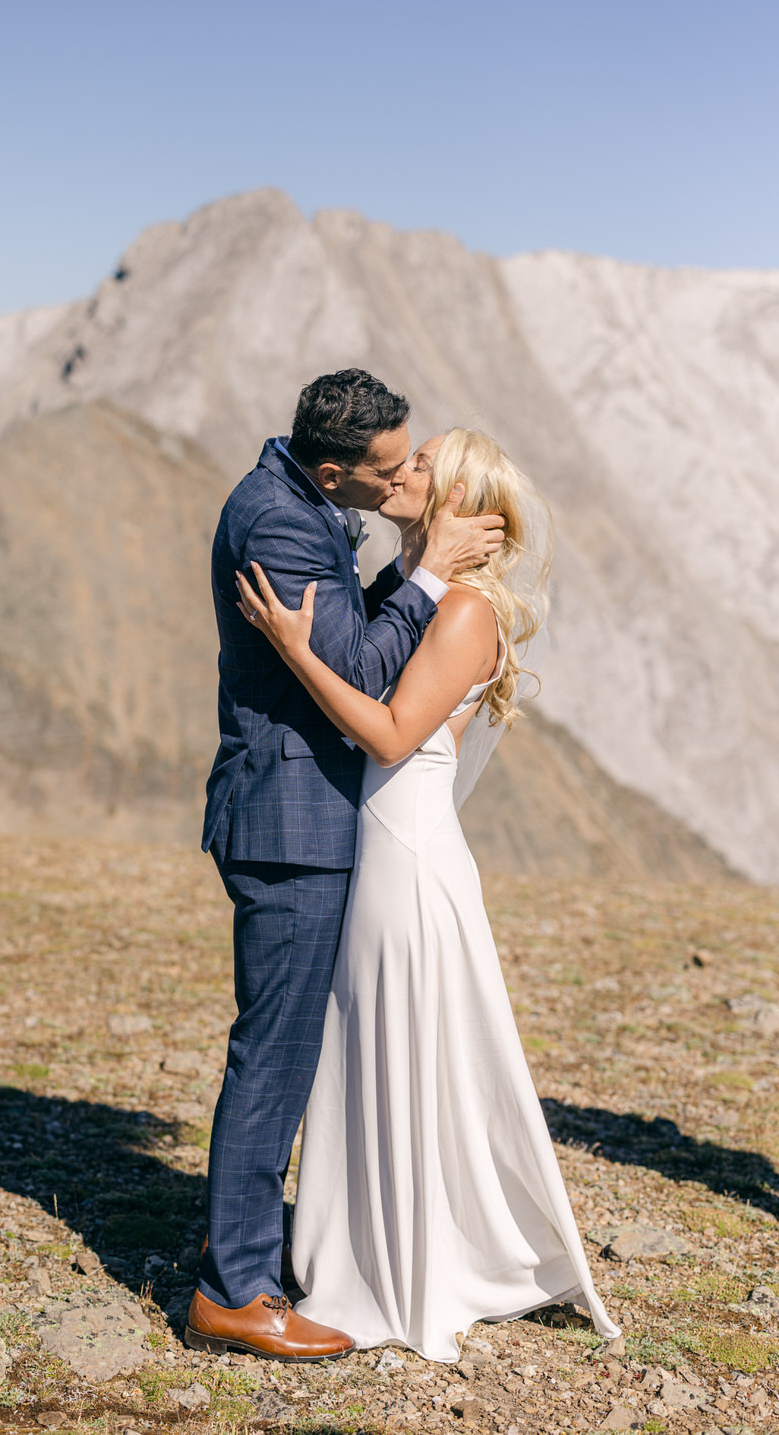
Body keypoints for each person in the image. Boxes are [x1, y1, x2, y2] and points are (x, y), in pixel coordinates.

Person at [236, 426, 621, 1362]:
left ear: (456, 501)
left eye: (422, 466)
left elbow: (391, 732)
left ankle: (393, 1273)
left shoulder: (462, 613)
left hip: (406, 857)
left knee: (387, 1045)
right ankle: (361, 1246)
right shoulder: (419, 597)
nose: (401, 472)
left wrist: (295, 647)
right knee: (369, 1048)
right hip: (384, 845)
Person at [189, 373, 505, 1360]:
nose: (408, 472)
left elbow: (342, 646)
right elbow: (364, 673)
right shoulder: (280, 524)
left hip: (312, 821)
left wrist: (406, 579)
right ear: (335, 469)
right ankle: (232, 1288)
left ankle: (277, 1252)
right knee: (273, 1058)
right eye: (392, 465)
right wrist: (422, 578)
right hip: (290, 824)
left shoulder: (300, 499)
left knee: (290, 1055)